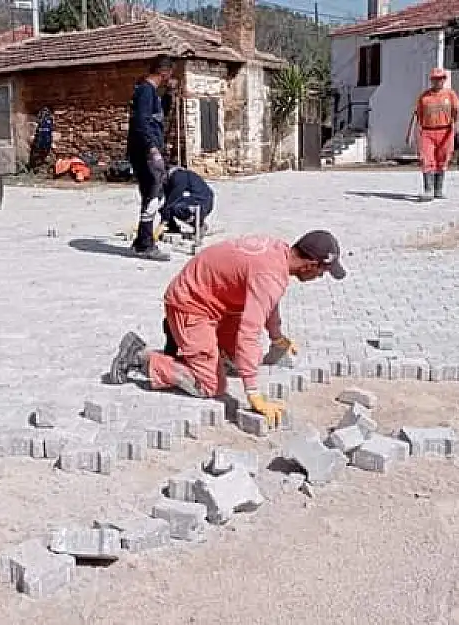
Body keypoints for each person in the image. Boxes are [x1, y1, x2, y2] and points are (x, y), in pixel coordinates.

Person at [108, 230, 347, 427]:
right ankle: (141, 357)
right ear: (310, 265)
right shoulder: (270, 275)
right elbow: (249, 334)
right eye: (322, 272)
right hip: (190, 304)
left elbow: (267, 303)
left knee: (237, 362)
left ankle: (201, 347)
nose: (321, 277)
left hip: (215, 301)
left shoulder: (279, 253)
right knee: (211, 385)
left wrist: (277, 337)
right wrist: (254, 394)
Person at [127, 56, 178, 261]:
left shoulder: (151, 93)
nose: (170, 78)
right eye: (170, 74)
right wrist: (152, 149)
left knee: (152, 196)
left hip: (146, 150)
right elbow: (141, 123)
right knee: (152, 197)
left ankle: (142, 241)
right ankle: (145, 244)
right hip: (145, 152)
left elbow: (157, 116)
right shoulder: (146, 91)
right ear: (163, 72)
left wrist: (169, 95)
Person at [406, 67, 459, 201]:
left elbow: (457, 112)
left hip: (445, 131)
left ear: (444, 79)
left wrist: (457, 127)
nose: (438, 81)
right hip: (427, 131)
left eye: (441, 78)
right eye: (435, 79)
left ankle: (438, 190)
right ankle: (428, 190)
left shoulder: (450, 95)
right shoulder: (424, 97)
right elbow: (416, 115)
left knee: (442, 159)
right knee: (426, 159)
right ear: (431, 80)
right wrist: (410, 134)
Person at [161, 165, 214, 235]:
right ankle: (174, 227)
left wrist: (163, 222)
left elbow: (173, 200)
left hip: (202, 203)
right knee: (166, 208)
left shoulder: (178, 176)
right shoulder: (172, 179)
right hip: (202, 201)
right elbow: (168, 201)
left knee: (175, 208)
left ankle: (199, 225)